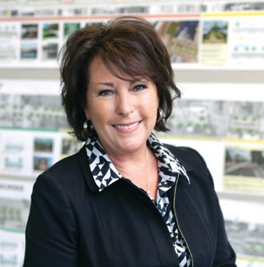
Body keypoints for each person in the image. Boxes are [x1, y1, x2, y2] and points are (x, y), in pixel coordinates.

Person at [23, 16, 237, 267]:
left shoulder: (191, 166)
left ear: (158, 92)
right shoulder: (58, 193)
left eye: (138, 87)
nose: (125, 108)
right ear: (86, 107)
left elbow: (222, 262)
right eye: (106, 91)